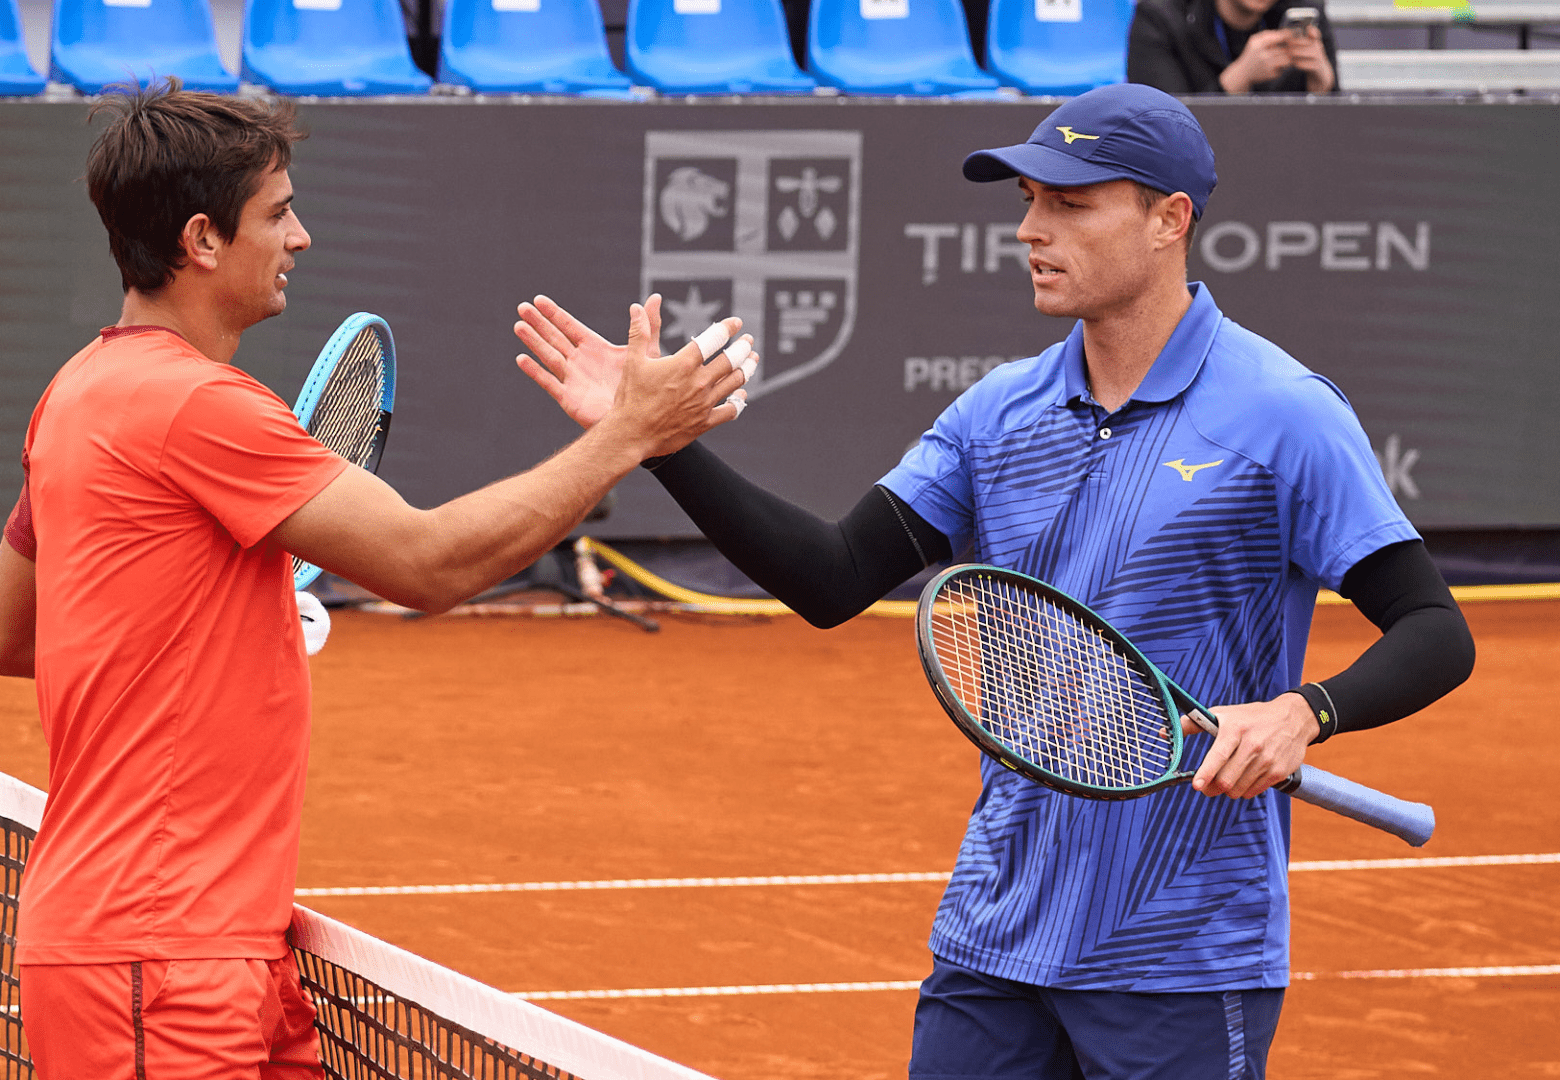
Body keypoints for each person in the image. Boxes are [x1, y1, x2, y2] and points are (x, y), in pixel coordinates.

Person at [515, 82, 1471, 1079]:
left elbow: (1433, 628)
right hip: (995, 933)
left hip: (1178, 952)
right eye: (1027, 201)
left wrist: (1304, 712)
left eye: (1070, 204)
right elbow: (833, 578)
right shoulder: (997, 415)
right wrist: (653, 440)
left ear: (1169, 220)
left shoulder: (1284, 413)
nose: (1030, 230)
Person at [0, 84, 749, 1080]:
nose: (300, 237)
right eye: (278, 213)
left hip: (208, 942)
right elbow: (429, 562)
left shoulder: (75, 393)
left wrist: (234, 624)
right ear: (203, 240)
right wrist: (630, 434)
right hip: (159, 959)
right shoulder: (199, 405)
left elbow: (3, 637)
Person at [1127, 0, 1338, 95]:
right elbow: (1161, 132)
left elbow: (1334, 140)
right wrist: (1237, 80)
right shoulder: (1159, 18)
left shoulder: (1306, 13)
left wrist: (1322, 89)